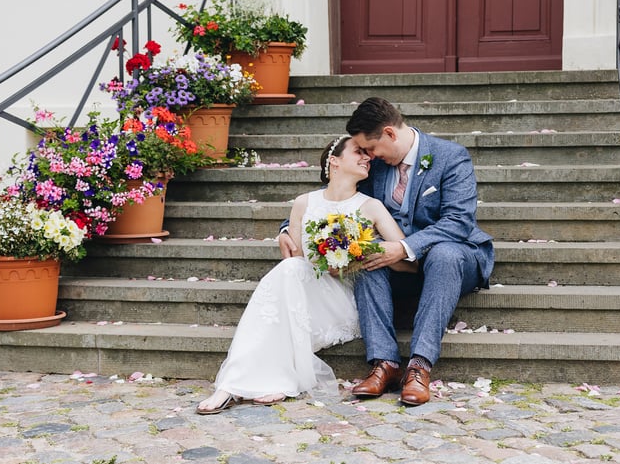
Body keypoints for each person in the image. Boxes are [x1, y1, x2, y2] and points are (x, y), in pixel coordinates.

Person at [278, 97, 494, 406]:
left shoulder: (450, 157)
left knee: (444, 254)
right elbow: (336, 198)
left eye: (372, 149)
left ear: (390, 133)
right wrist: (287, 228)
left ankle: (419, 366)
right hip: (398, 268)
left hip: (456, 258)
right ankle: (385, 363)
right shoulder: (377, 165)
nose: (369, 156)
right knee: (366, 251)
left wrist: (404, 247)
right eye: (364, 152)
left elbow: (459, 221)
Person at [196, 135, 416, 415]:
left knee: (289, 274)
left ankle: (268, 380)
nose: (367, 158)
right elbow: (298, 260)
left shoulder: (371, 207)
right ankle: (232, 385)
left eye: (367, 154)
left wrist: (362, 256)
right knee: (290, 269)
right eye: (359, 152)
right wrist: (292, 238)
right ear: (334, 162)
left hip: (347, 297)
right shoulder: (303, 203)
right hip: (311, 292)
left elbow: (407, 260)